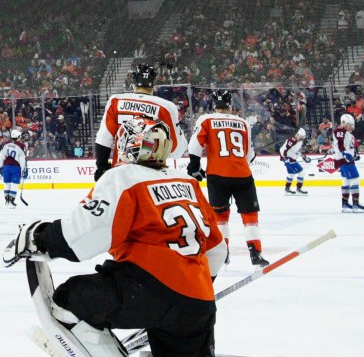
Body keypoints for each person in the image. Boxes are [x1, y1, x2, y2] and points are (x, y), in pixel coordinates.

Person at [5, 119, 234, 357]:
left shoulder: (124, 177)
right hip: (198, 304)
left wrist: (42, 237)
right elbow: (217, 251)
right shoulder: (189, 183)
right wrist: (194, 288)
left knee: (70, 299)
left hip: (147, 290)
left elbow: (84, 235)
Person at [187, 93, 263, 264]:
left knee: (220, 217)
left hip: (217, 175)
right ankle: (255, 254)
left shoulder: (206, 119)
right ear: (230, 105)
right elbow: (249, 156)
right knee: (250, 216)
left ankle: (224, 255)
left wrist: (194, 167)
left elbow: (194, 145)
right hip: (243, 175)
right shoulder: (243, 123)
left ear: (214, 104)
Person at [91, 62, 182, 175]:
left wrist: (102, 166)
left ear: (134, 81)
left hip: (121, 171)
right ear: (153, 82)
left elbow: (104, 138)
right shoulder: (166, 107)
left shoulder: (116, 101)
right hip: (152, 173)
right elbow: (177, 150)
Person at [0, 127, 29, 207]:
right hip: (16, 167)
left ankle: (7, 201)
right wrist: (23, 169)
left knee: (6, 184)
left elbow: (1, 156)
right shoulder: (22, 145)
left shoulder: (6, 144)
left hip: (6, 167)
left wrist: (0, 167)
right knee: (14, 184)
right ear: (18, 136)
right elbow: (22, 158)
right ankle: (11, 201)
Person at [335, 135, 363, 213]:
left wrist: (355, 155)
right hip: (346, 162)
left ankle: (345, 204)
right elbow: (340, 147)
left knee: (346, 182)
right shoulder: (344, 135)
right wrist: (346, 155)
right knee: (355, 180)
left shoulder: (348, 135)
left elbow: (352, 147)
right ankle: (356, 204)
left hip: (343, 162)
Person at [280, 127, 308, 196]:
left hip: (291, 159)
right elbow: (283, 149)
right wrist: (285, 158)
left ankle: (287, 189)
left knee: (291, 174)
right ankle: (299, 189)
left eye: (303, 137)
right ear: (297, 134)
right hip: (289, 159)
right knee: (301, 172)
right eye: (301, 136)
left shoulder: (299, 141)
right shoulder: (292, 140)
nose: (302, 138)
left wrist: (303, 157)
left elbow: (296, 151)